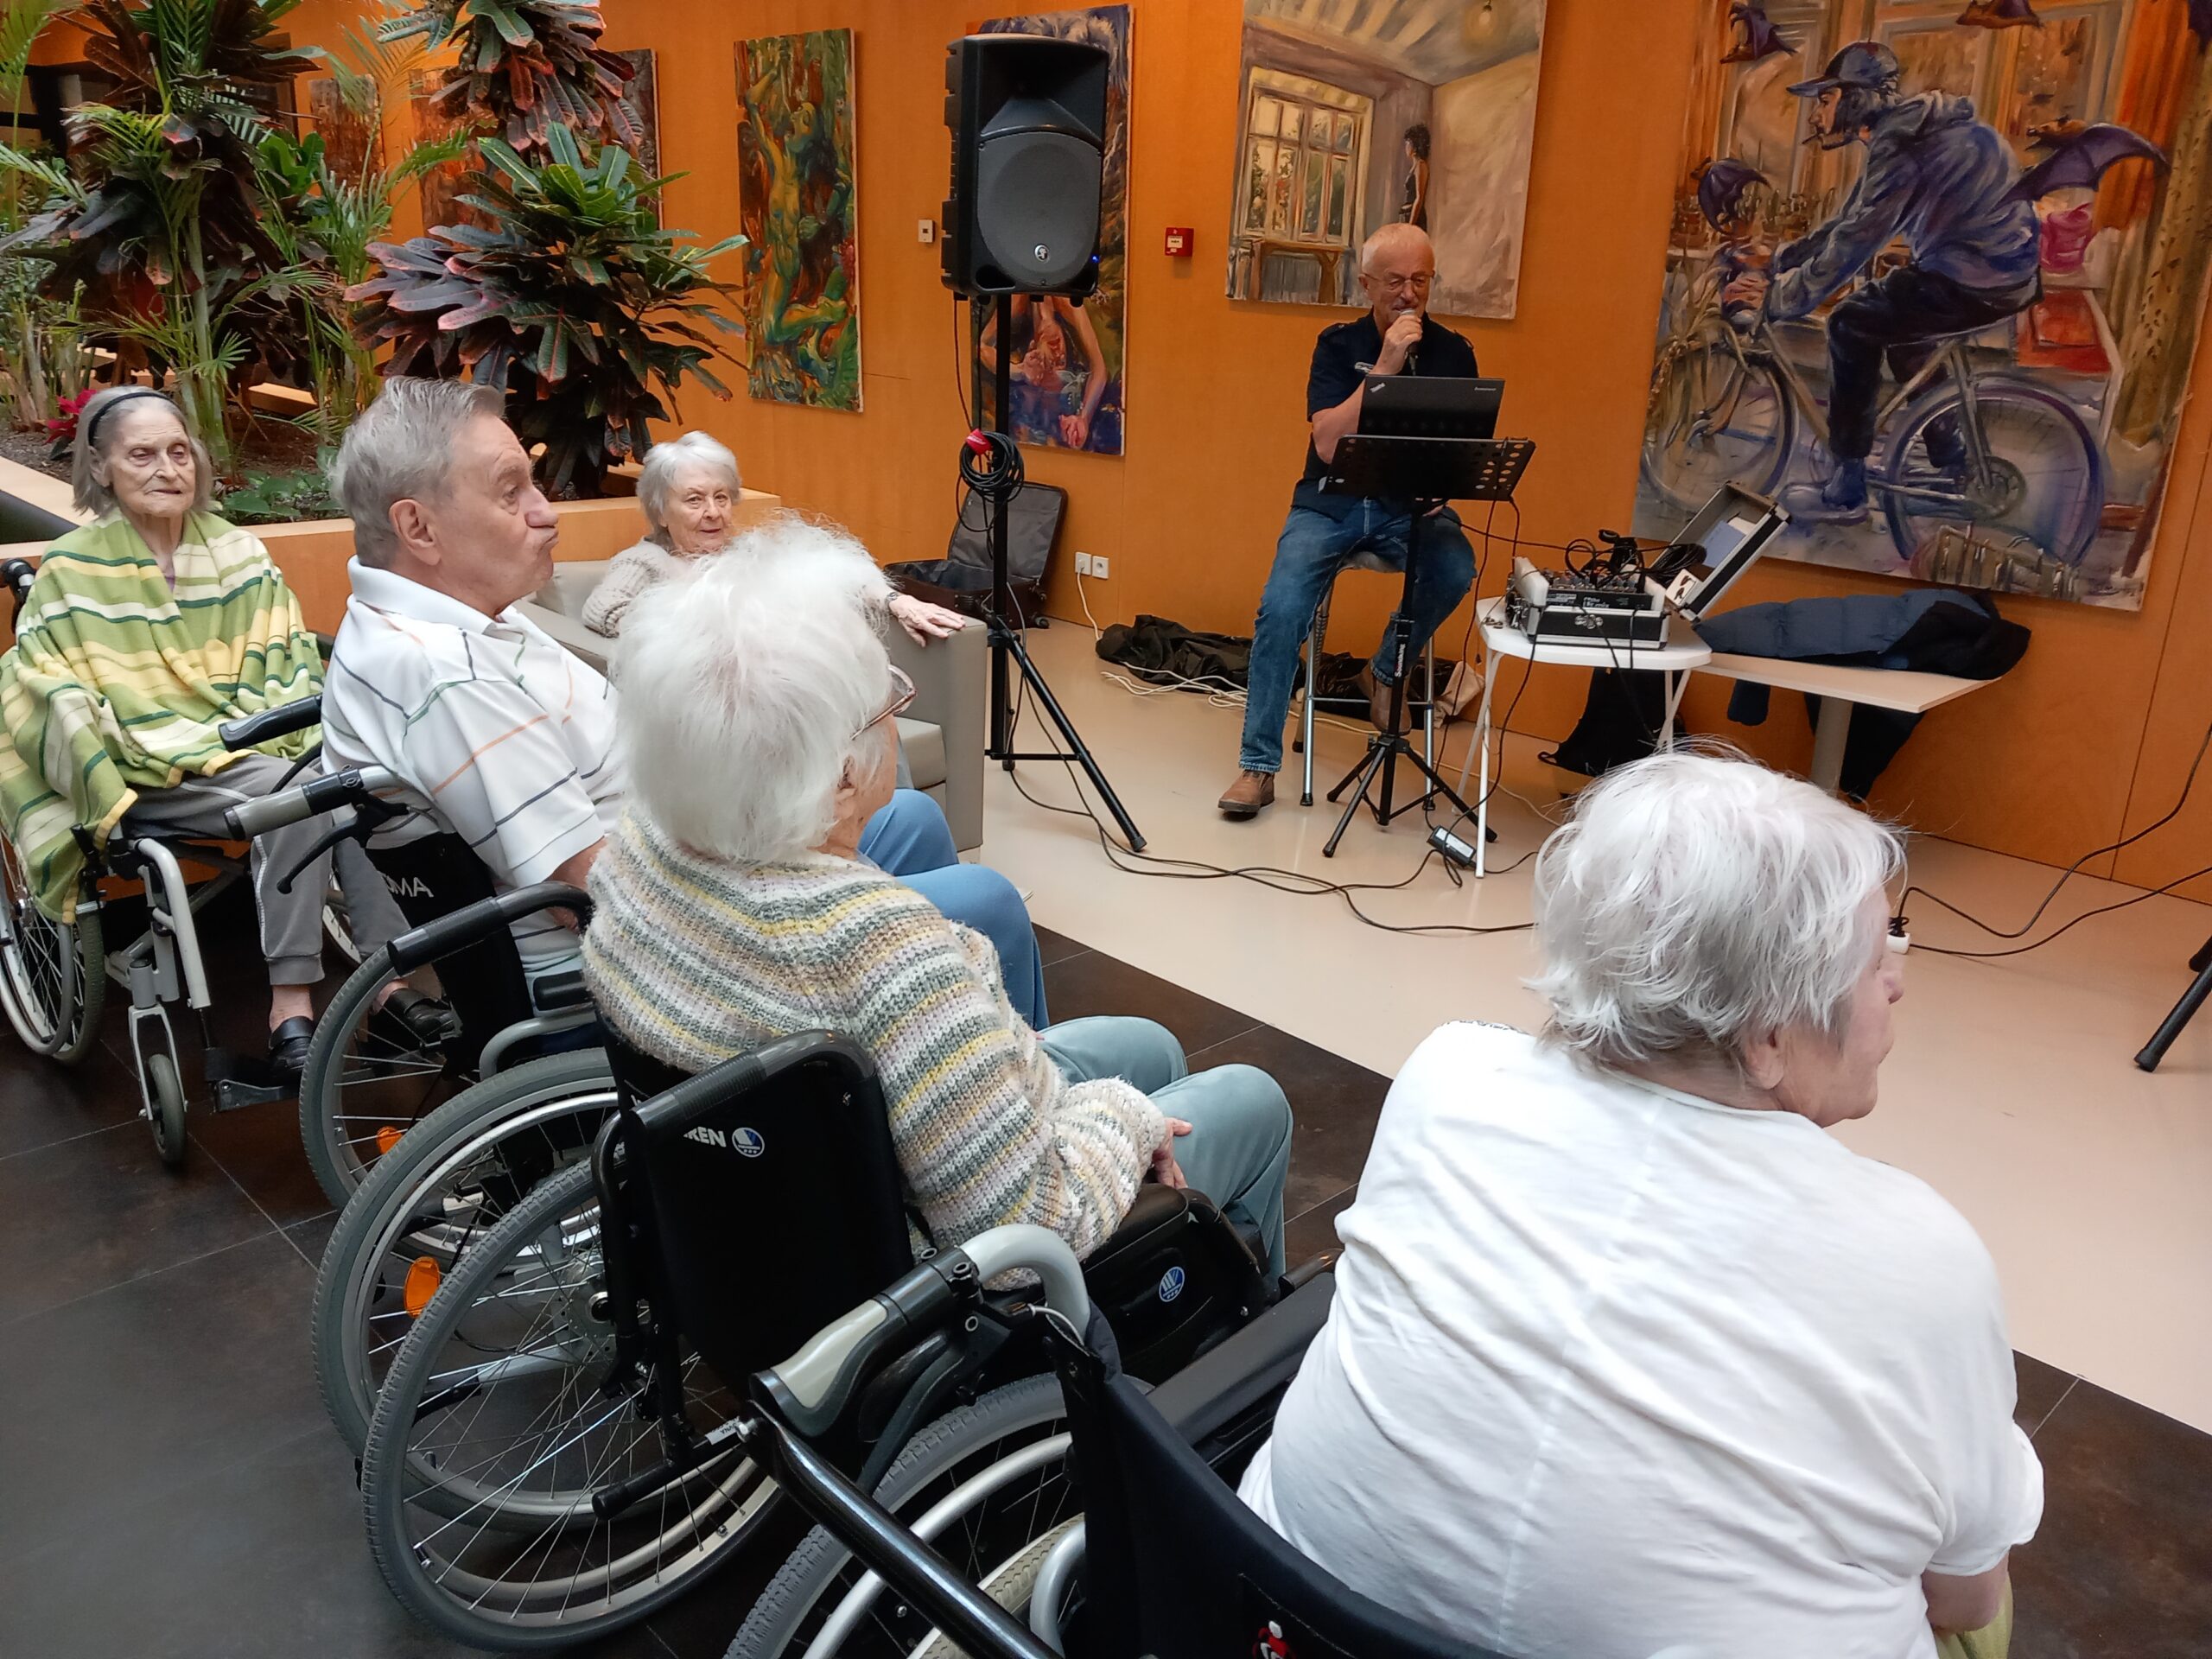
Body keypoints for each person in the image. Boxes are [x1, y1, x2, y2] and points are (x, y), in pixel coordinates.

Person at [1240, 750, 2040, 1659]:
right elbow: (1964, 1597)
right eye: (1874, 955)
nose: (1896, 980)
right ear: (1768, 1033)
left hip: (1280, 1620)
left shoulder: (1449, 1072)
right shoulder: (1920, 1259)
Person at [582, 534, 1294, 1274]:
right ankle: (1244, 1314)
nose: (899, 710)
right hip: (944, 1280)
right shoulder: (880, 952)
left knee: (1147, 1046)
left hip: (750, 1226)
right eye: (888, 699)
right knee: (1251, 1099)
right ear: (839, 778)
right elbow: (1029, 1230)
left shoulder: (640, 850)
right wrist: (1130, 1118)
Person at [321, 378, 1052, 1027]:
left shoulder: (465, 622)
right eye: (511, 492)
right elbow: (588, 886)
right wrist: (780, 879)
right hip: (649, 949)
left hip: (681, 863)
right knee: (985, 901)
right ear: (419, 528)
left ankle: (928, 1041)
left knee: (912, 817)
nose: (547, 513)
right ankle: (995, 1101)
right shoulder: (443, 677)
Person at [0, 387, 416, 1075]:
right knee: (300, 796)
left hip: (248, 745)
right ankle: (292, 1006)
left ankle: (389, 985)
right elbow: (47, 678)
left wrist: (239, 730)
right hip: (143, 767)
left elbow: (282, 654)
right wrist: (156, 734)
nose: (167, 469)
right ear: (101, 468)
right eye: (142, 455)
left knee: (356, 784)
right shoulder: (71, 569)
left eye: (178, 452)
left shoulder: (237, 552)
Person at [1219, 222, 1478, 820]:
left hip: (1407, 509)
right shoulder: (1338, 345)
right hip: (1329, 502)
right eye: (1395, 281)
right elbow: (1329, 443)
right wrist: (1384, 366)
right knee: (1282, 609)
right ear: (1366, 285)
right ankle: (1257, 767)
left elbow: (1464, 445)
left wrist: (1447, 483)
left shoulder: (1455, 352)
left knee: (1455, 566)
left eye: (1421, 280)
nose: (1409, 293)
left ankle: (1385, 670)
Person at [1723, 42, 2042, 526]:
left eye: (1825, 101)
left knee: (1851, 322)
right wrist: (1780, 260)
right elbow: (1849, 221)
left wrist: (1778, 299)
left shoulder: (1901, 147)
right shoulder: (1911, 131)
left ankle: (1847, 489)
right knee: (1907, 339)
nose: (1816, 116)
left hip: (1977, 277)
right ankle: (1954, 465)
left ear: (1856, 98)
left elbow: (1855, 243)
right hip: (2001, 273)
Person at [583, 431, 966, 645]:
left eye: (721, 497)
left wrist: (896, 601)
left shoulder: (746, 549)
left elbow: (832, 574)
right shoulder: (645, 561)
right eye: (694, 500)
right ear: (660, 512)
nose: (713, 512)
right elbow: (604, 611)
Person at [1399, 123, 1430, 231]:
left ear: (1415, 146)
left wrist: (1411, 225)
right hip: (1406, 216)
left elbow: (1419, 198)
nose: (1406, 147)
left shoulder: (1421, 165)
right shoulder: (1415, 166)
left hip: (1415, 218)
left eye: (1408, 144)